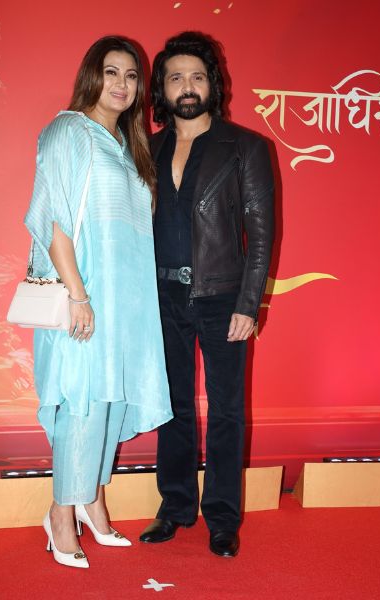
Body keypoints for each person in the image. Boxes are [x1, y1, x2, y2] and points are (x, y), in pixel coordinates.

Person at [24, 36, 172, 569]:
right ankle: (61, 515)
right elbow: (55, 222)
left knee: (109, 404)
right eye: (112, 72)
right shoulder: (68, 131)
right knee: (82, 404)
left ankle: (92, 503)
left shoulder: (127, 147)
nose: (122, 84)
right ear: (92, 75)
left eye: (132, 76)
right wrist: (78, 295)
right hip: (84, 296)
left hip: (127, 304)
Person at [139, 32, 275, 557]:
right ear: (163, 88)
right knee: (172, 407)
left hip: (223, 299)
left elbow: (261, 234)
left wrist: (248, 303)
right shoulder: (147, 149)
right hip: (162, 299)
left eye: (197, 76)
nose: (188, 86)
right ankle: (175, 507)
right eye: (176, 77)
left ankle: (222, 516)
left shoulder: (245, 147)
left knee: (225, 412)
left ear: (212, 84)